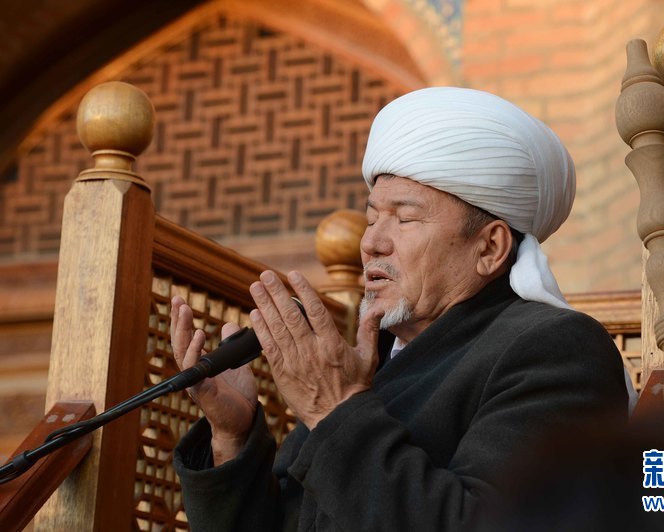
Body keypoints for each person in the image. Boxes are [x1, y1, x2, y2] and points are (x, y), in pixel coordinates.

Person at [171, 87, 629, 531]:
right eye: (372, 218)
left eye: (405, 218)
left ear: (489, 248)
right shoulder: (366, 364)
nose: (371, 242)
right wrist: (232, 438)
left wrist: (335, 409)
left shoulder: (554, 350)